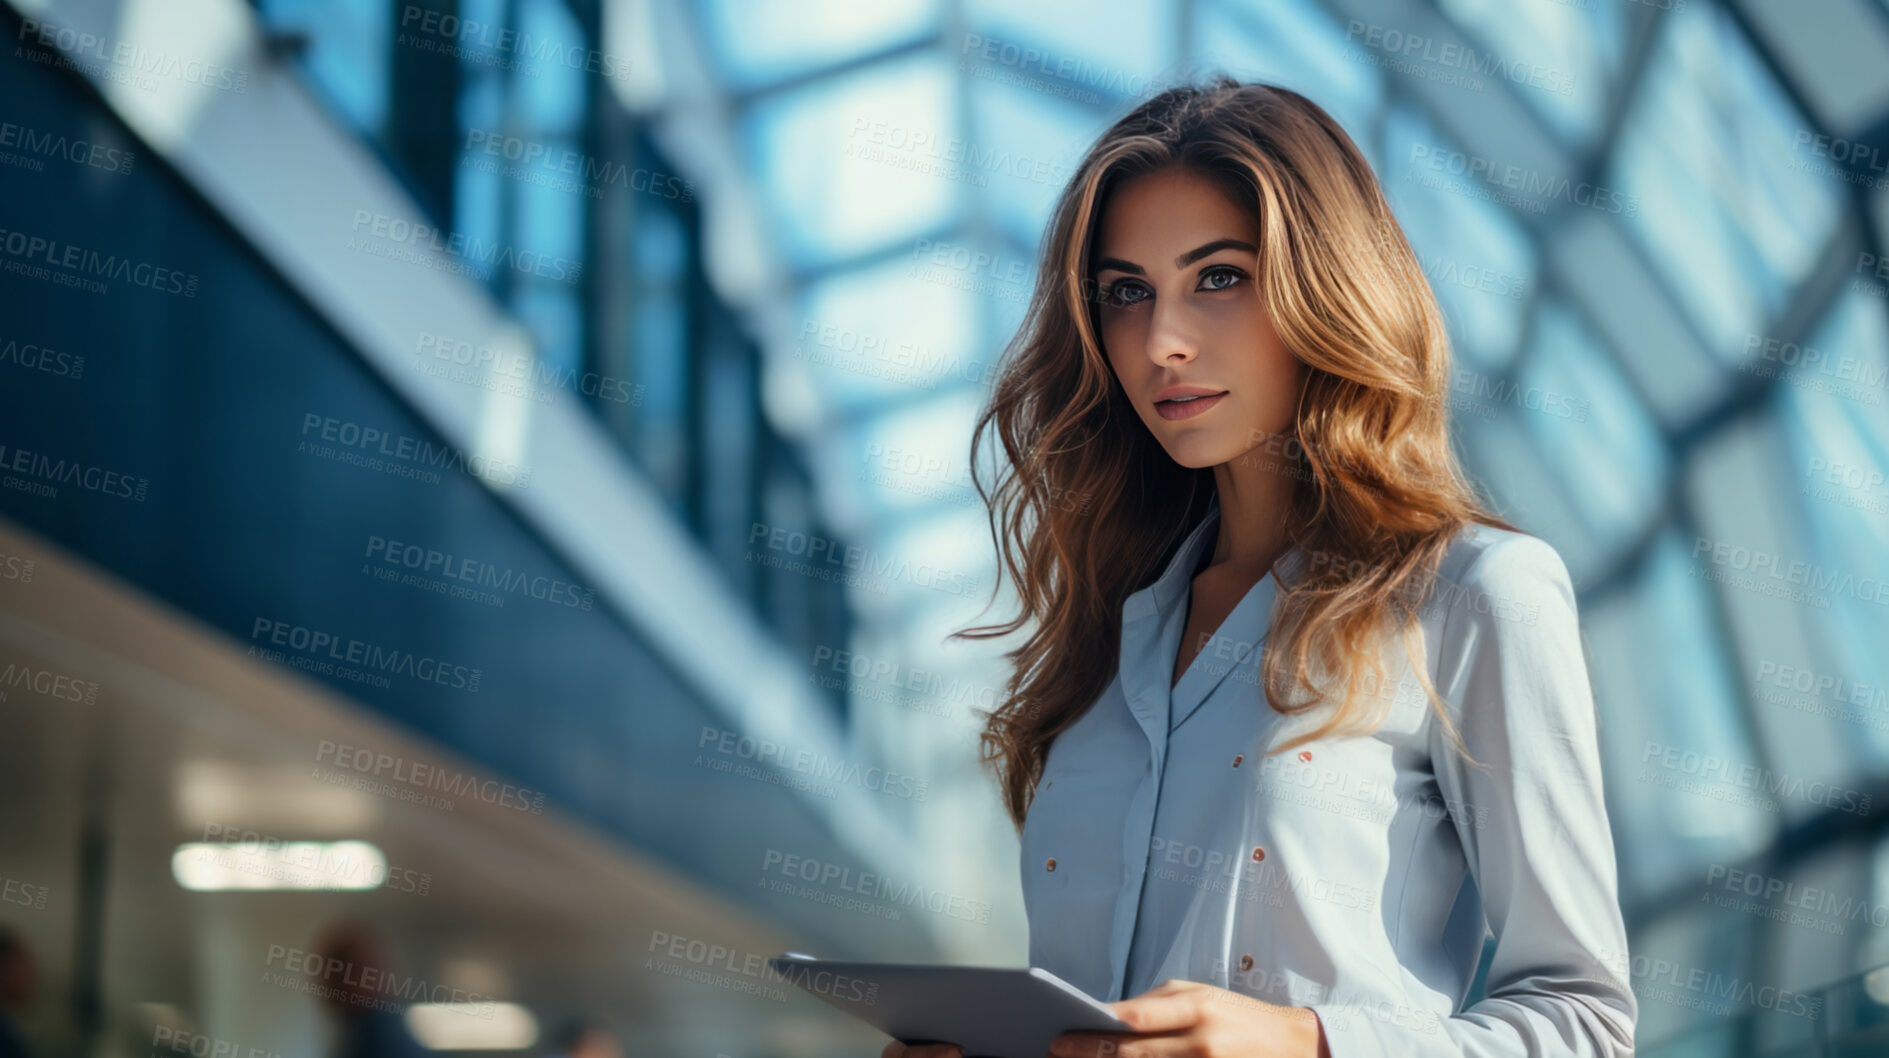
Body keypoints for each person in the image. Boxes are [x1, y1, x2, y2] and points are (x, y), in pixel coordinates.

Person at [888, 77, 1637, 1058]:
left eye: (1218, 276)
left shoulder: (1473, 594)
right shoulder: (1105, 632)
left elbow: (1583, 1022)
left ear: (1325, 287)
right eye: (1125, 293)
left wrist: (1305, 1041)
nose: (1160, 341)